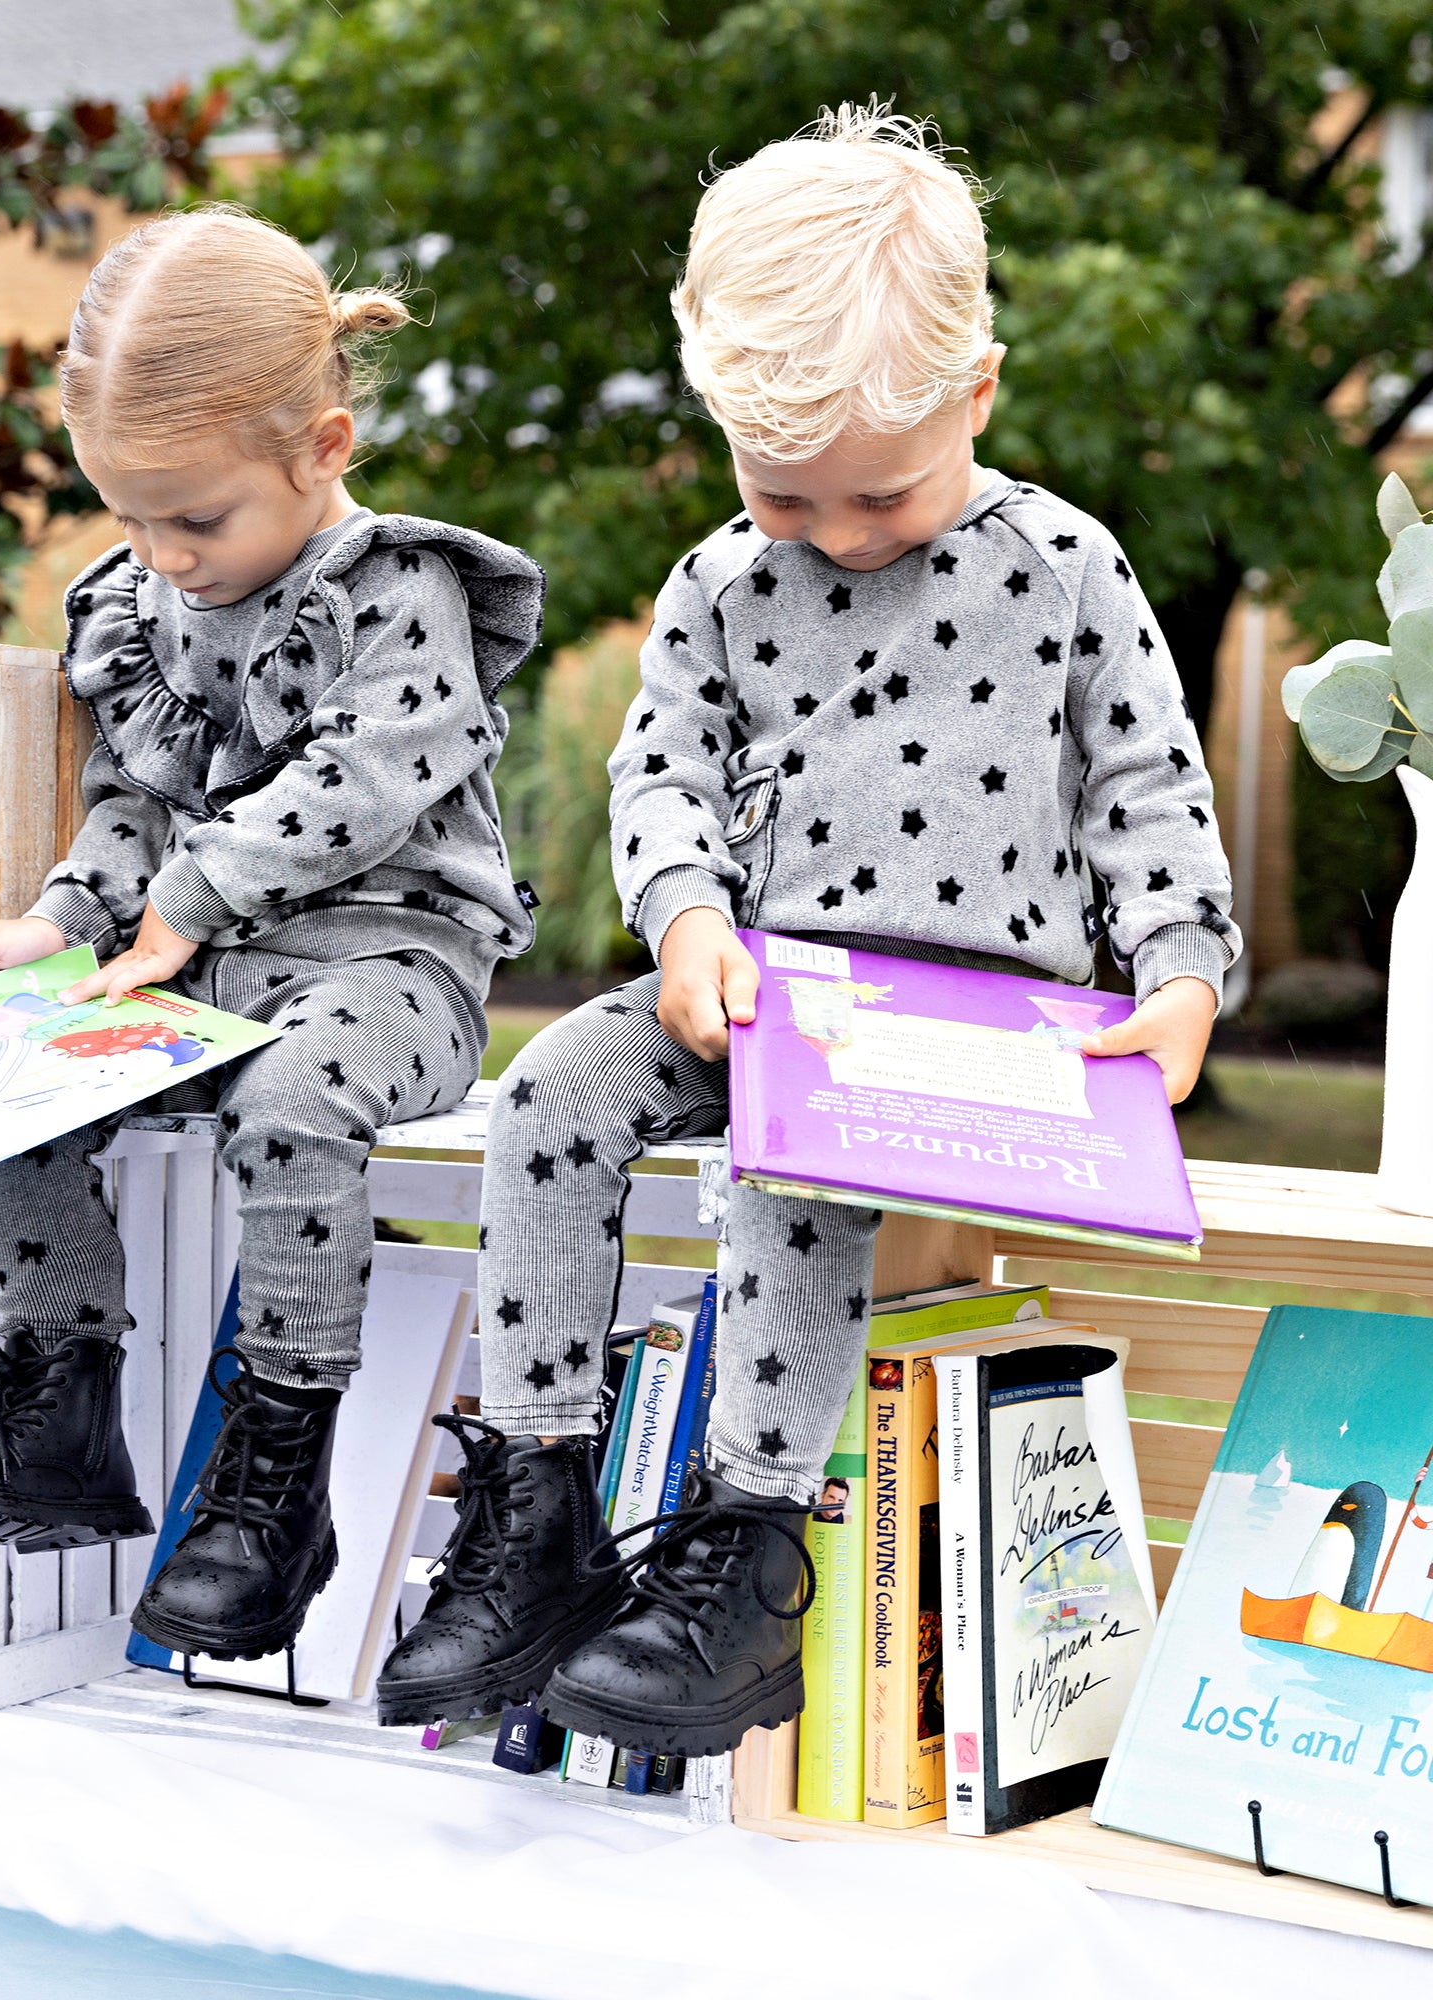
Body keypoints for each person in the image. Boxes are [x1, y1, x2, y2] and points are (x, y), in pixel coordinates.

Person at [379, 105, 1239, 1753]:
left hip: (969, 1026)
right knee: (552, 1087)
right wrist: (687, 914)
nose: (840, 536)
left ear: (975, 395)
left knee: (800, 1168)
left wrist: (1184, 970)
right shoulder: (719, 583)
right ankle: (538, 1498)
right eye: (788, 496)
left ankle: (750, 1550)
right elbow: (663, 773)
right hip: (763, 989)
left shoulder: (1065, 566)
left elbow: (1149, 782)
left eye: (881, 497)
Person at [0, 206, 544, 1667]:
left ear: (324, 446)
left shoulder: (398, 592)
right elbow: (134, 796)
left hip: (395, 966)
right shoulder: (139, 607)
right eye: (129, 517)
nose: (165, 556)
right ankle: (58, 1407)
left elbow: (363, 785)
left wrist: (186, 905)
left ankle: (275, 1476)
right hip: (200, 973)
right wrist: (63, 925)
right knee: (14, 1066)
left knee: (294, 1098)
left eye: (197, 519)